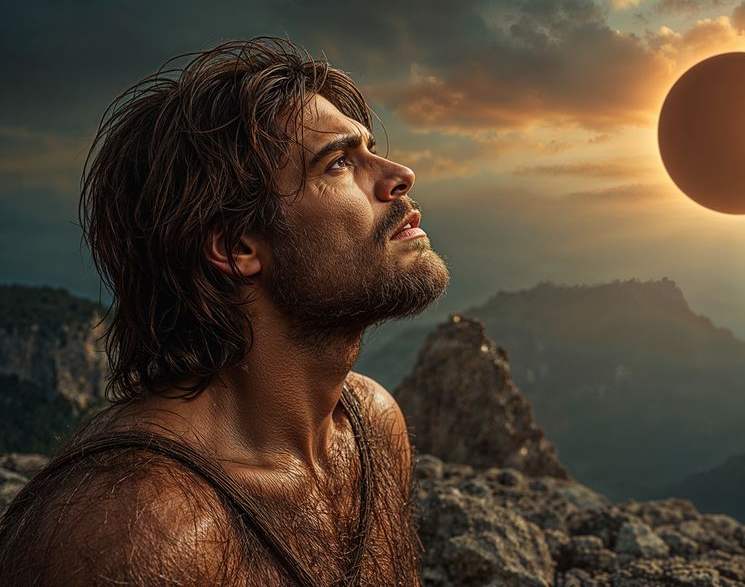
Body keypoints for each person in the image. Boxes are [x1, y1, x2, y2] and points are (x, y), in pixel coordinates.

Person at [0, 37, 450, 586]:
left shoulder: (371, 427)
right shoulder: (144, 530)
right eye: (337, 163)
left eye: (370, 149)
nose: (399, 173)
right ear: (239, 248)